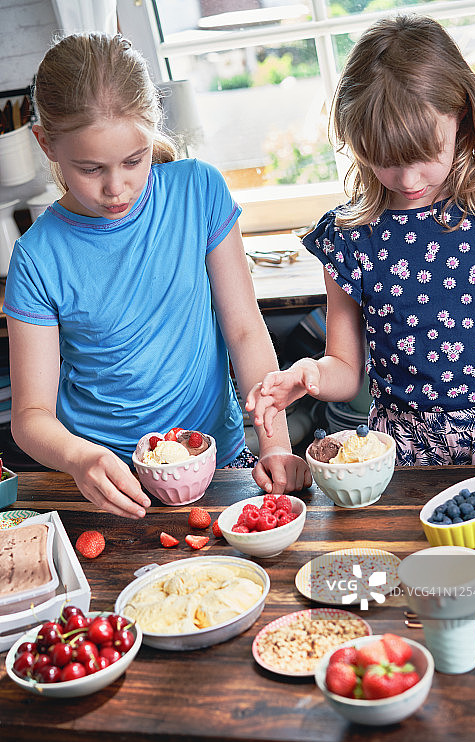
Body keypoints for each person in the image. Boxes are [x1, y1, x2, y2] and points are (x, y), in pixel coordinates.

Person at [3, 32, 311, 518]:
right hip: (110, 483)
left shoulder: (198, 191)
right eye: (90, 169)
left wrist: (274, 443)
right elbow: (30, 417)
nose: (115, 187)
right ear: (46, 144)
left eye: (133, 160)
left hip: (221, 463)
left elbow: (246, 329)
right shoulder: (37, 258)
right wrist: (81, 458)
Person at [247, 14, 475, 466]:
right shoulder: (348, 239)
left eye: (425, 154)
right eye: (386, 160)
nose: (408, 178)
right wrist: (309, 375)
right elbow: (345, 369)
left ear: (461, 116)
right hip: (406, 454)